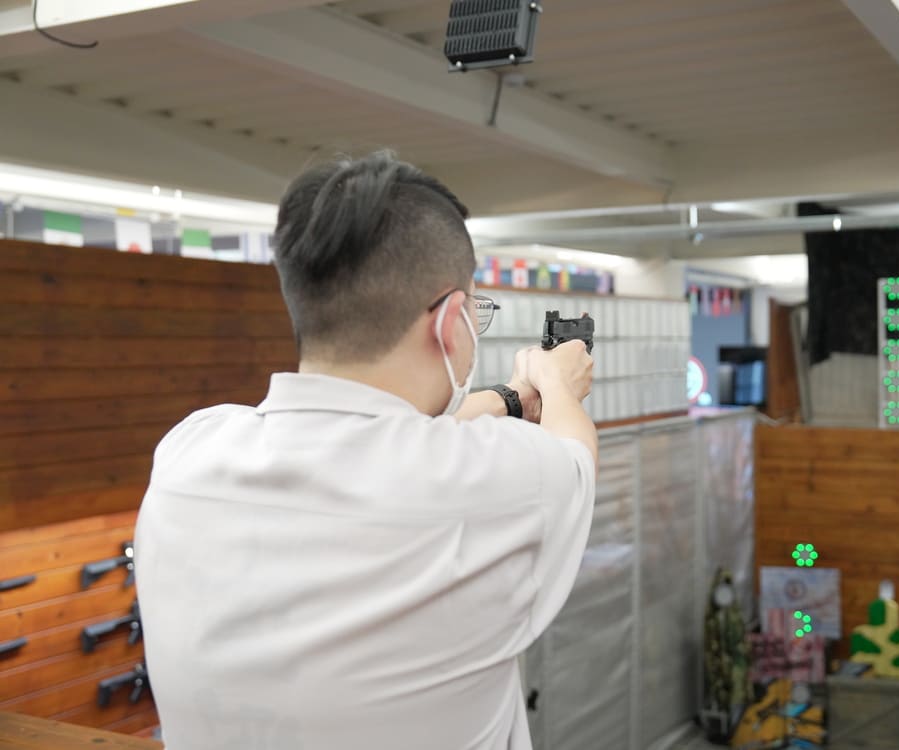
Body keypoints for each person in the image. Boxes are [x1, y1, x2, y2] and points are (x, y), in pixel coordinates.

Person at [134, 151, 597, 750]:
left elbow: (364, 442)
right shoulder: (501, 481)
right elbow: (574, 452)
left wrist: (507, 398)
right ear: (450, 322)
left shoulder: (187, 452)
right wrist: (556, 382)